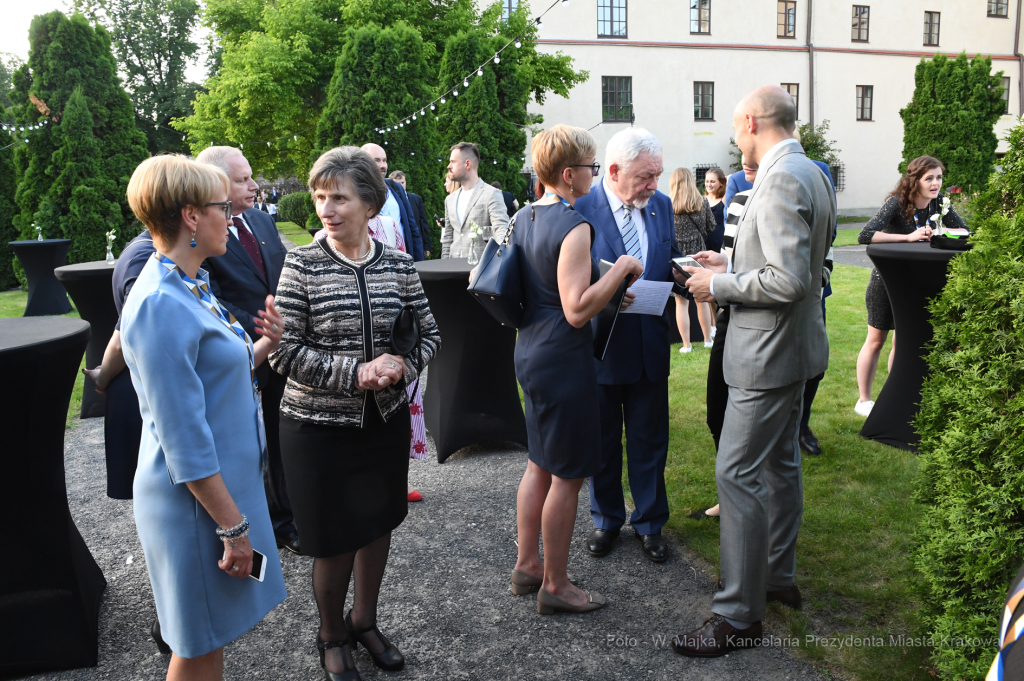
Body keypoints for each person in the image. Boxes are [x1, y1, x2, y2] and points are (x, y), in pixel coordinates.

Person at [673, 85, 835, 657]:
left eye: (733, 124)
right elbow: (790, 259)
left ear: (749, 121)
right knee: (782, 464)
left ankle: (740, 614)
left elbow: (791, 281)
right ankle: (777, 577)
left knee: (736, 473)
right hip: (795, 349)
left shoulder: (785, 175)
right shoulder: (811, 169)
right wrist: (733, 261)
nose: (732, 134)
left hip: (767, 354)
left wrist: (716, 284)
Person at [270, 146, 440, 680]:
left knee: (378, 524)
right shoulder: (300, 264)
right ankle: (331, 634)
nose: (326, 208)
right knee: (332, 538)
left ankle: (364, 620)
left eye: (338, 197)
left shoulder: (398, 265)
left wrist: (401, 367)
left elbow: (429, 335)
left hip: (381, 425)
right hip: (317, 430)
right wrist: (355, 372)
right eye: (321, 197)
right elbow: (283, 351)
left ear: (369, 203)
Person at [120, 154, 288, 679]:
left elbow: (216, 372)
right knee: (196, 647)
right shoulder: (159, 303)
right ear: (191, 216)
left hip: (217, 500)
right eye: (222, 208)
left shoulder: (187, 281)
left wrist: (266, 343)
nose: (232, 218)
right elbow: (183, 440)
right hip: (199, 511)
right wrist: (232, 528)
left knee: (208, 640)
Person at [510, 124, 643, 614]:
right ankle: (556, 585)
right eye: (590, 167)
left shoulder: (524, 216)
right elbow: (575, 308)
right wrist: (619, 269)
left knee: (538, 464)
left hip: (529, 349)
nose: (593, 174)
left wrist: (604, 285)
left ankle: (527, 566)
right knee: (566, 475)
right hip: (563, 359)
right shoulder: (574, 224)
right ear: (569, 174)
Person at [575, 128, 686, 564]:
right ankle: (606, 519)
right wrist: (604, 293)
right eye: (645, 177)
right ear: (615, 170)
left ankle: (650, 522)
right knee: (602, 442)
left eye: (657, 175)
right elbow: (568, 282)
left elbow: (667, 254)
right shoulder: (582, 209)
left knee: (650, 439)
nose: (653, 186)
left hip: (650, 346)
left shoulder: (659, 206)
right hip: (601, 347)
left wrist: (685, 275)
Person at [195, 145, 299, 555]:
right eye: (243, 180)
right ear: (217, 185)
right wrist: (265, 332)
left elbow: (282, 277)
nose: (255, 186)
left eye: (251, 176)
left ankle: (294, 509)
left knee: (286, 433)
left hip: (284, 345)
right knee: (260, 442)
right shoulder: (204, 235)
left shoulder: (259, 220)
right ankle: (279, 523)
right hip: (247, 353)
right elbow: (214, 300)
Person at [721, 150, 837, 456]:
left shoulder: (795, 178)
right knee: (777, 458)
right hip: (743, 311)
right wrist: (722, 269)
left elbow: (798, 271)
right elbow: (735, 252)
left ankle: (801, 426)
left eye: (751, 150)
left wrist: (717, 284)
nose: (745, 157)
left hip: (773, 329)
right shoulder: (738, 193)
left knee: (739, 467)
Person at [854, 156, 965, 417]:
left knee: (902, 342)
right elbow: (865, 235)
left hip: (914, 284)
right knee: (876, 340)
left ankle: (895, 396)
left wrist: (940, 233)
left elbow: (963, 230)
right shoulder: (897, 203)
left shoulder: (940, 203)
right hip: (885, 282)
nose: (936, 183)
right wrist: (908, 236)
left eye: (939, 177)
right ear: (915, 180)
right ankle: (864, 401)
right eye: (929, 178)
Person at [669, 167, 715, 352]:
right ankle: (707, 340)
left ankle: (687, 345)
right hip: (698, 255)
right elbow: (711, 225)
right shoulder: (702, 202)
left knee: (681, 302)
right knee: (701, 298)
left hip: (678, 257)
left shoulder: (668, 205)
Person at [441, 142, 510, 259]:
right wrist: (444, 267)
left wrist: (497, 263)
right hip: (452, 271)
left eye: (453, 162)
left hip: (481, 271)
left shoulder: (491, 194)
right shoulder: (449, 200)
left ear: (467, 164)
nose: (449, 166)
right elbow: (447, 239)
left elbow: (501, 232)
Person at [361, 143, 425, 261]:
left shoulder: (396, 188)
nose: (382, 165)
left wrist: (419, 263)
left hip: (402, 258)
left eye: (384, 161)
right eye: (377, 161)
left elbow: (412, 227)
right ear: (362, 162)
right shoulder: (356, 192)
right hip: (372, 260)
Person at [389, 170, 432, 258]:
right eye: (397, 183)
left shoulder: (416, 199)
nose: (400, 185)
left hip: (415, 244)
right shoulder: (389, 202)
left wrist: (427, 246)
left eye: (402, 182)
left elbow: (423, 223)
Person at [704, 168, 727, 253]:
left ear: (721, 183)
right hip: (704, 243)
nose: (709, 184)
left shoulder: (724, 199)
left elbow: (731, 180)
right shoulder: (701, 200)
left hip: (719, 242)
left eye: (712, 181)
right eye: (707, 181)